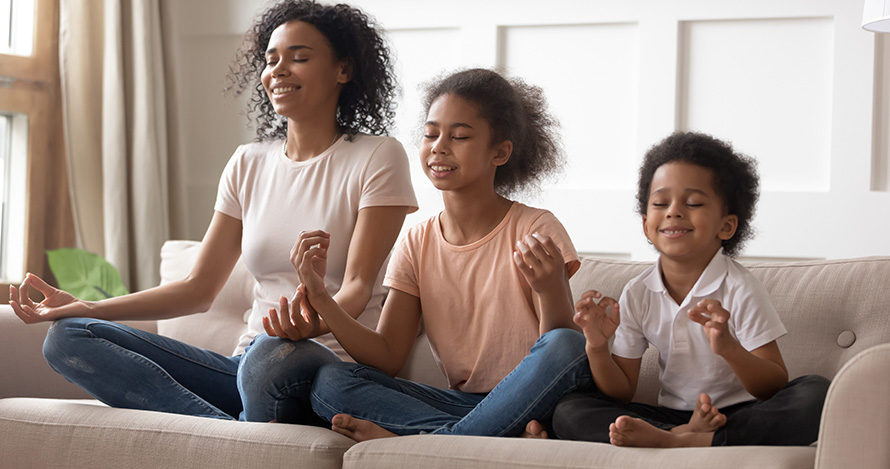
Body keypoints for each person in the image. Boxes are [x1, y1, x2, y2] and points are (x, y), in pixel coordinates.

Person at [8, 0, 417, 425]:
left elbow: (356, 287)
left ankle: (239, 436)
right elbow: (197, 289)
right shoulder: (249, 162)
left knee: (271, 354)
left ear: (343, 70)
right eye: (271, 59)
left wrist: (309, 325)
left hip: (321, 370)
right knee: (69, 338)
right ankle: (232, 436)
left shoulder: (377, 156)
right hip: (245, 368)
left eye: (299, 57)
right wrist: (87, 308)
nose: (278, 69)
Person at [284, 67, 592, 441]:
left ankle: (428, 443)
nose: (439, 146)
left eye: (459, 136)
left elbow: (558, 353)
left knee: (567, 344)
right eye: (431, 134)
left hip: (533, 401)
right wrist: (320, 297)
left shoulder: (535, 229)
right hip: (463, 404)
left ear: (500, 151)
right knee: (331, 381)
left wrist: (550, 289)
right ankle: (481, 438)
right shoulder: (417, 242)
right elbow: (387, 356)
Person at [551, 131, 830, 447]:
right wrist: (597, 345)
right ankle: (674, 433)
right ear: (646, 224)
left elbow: (773, 384)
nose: (674, 211)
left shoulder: (740, 287)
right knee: (568, 409)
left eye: (694, 202)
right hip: (669, 415)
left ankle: (687, 441)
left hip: (740, 413)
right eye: (660, 202)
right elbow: (622, 390)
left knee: (817, 394)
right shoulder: (638, 292)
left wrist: (729, 348)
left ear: (726, 226)